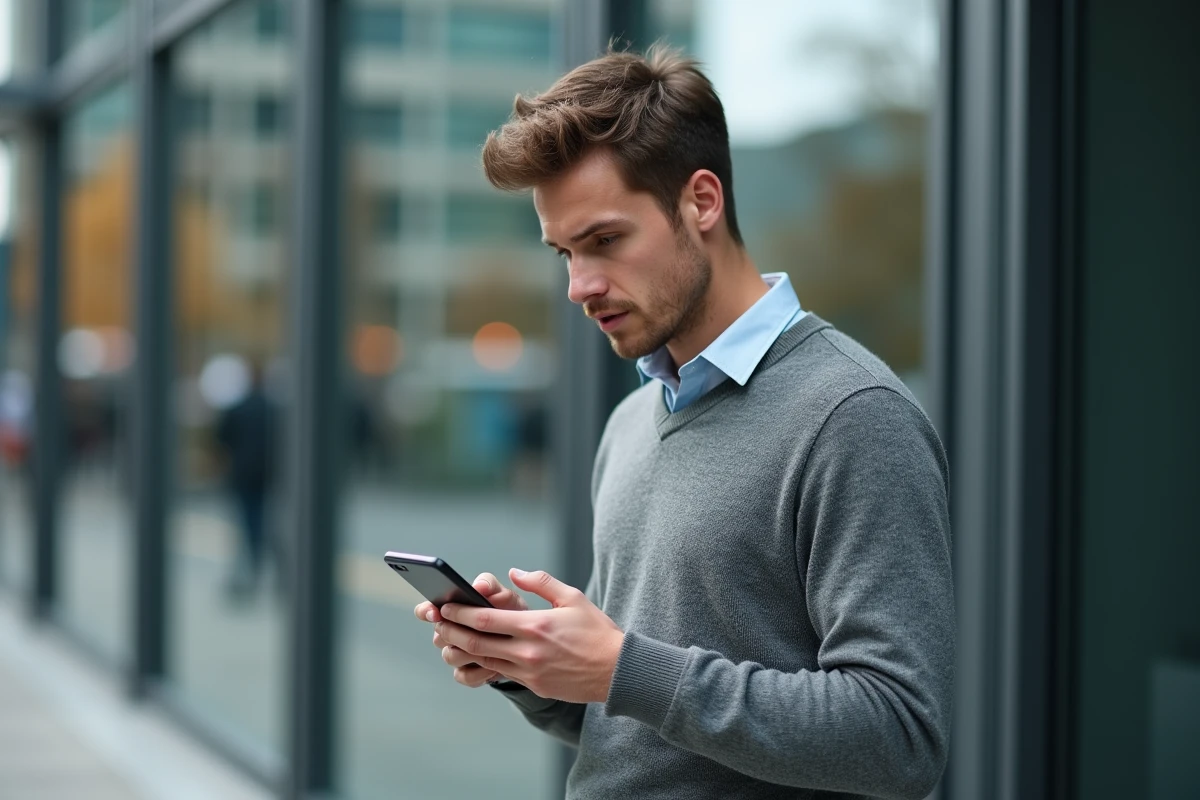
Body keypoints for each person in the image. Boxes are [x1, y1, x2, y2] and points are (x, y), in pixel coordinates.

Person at [413, 44, 954, 800]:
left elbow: (901, 737)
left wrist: (622, 666)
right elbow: (638, 718)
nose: (580, 285)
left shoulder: (853, 417)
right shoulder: (633, 421)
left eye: (604, 241)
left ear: (702, 202)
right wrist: (533, 665)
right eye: (564, 252)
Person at [216, 360, 276, 598]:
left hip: (242, 473)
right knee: (264, 518)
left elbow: (222, 439)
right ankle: (260, 559)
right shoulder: (273, 409)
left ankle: (252, 563)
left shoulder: (237, 408)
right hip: (268, 474)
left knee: (248, 519)